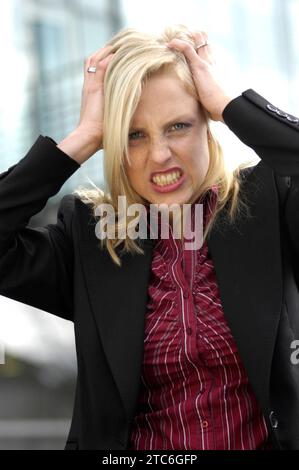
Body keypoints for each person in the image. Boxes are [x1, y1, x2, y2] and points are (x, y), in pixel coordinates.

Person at [0, 24, 298, 451]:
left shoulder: (270, 203)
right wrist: (81, 139)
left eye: (178, 125)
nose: (159, 154)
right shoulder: (90, 236)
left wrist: (232, 105)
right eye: (134, 135)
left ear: (207, 125)